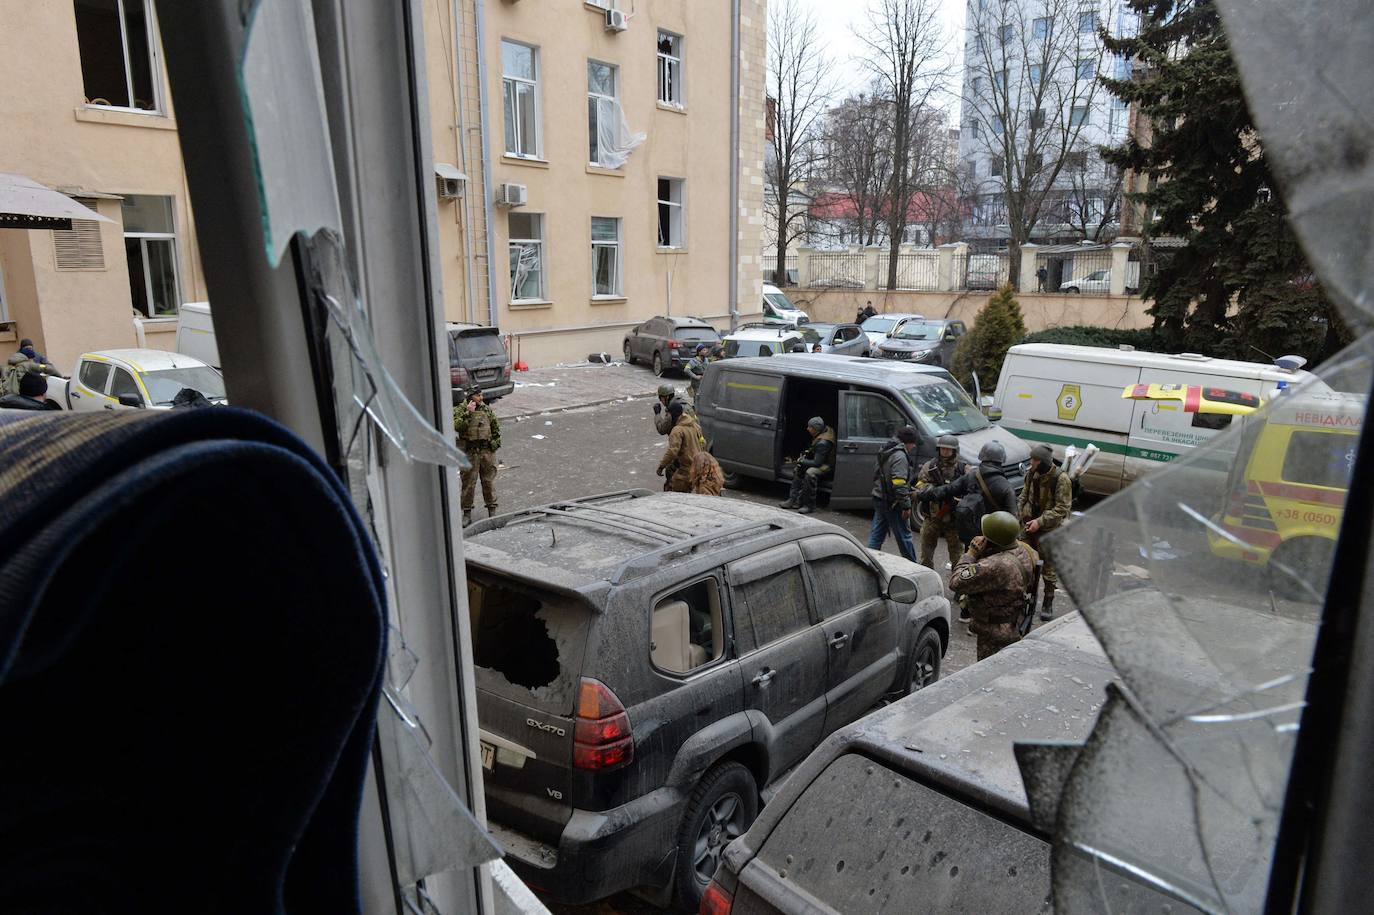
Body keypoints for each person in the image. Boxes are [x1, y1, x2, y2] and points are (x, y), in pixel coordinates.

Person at [949, 511, 1038, 660]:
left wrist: (971, 553)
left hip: (995, 632)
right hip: (1016, 622)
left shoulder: (995, 565)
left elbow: (956, 582)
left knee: (987, 673)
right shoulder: (1028, 551)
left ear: (992, 541)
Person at [917, 441, 1018, 549]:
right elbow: (1013, 519)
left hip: (971, 535)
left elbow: (948, 489)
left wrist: (924, 494)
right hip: (993, 538)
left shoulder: (971, 476)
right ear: (1001, 460)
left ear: (982, 457)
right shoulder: (1006, 487)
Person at [1018, 443, 1073, 620]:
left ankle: (1048, 602)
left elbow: (1062, 508)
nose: (1031, 463)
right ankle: (1024, 599)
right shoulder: (1031, 474)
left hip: (1049, 529)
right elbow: (1024, 496)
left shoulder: (1061, 479)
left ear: (1042, 462)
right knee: (1024, 564)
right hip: (1028, 526)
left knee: (1048, 570)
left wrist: (1040, 522)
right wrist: (1021, 516)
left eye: (1034, 460)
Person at [914, 434, 967, 570]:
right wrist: (930, 490)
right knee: (926, 554)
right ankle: (927, 576)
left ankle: (959, 582)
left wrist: (958, 499)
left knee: (957, 556)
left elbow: (970, 490)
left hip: (953, 519)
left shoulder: (962, 468)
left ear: (954, 451)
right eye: (942, 449)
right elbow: (919, 484)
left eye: (948, 449)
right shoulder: (930, 466)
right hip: (932, 516)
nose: (945, 451)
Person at [868, 425, 919, 562]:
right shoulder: (900, 456)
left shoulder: (886, 448)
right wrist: (906, 506)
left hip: (879, 497)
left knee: (876, 534)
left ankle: (869, 562)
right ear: (908, 442)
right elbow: (898, 483)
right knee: (904, 537)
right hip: (893, 502)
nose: (913, 447)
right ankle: (913, 566)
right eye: (913, 443)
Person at [453, 384, 500, 526]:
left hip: (485, 452)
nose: (481, 397)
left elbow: (495, 427)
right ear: (471, 396)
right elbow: (456, 426)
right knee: (468, 484)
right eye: (478, 395)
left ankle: (492, 510)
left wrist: (493, 445)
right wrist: (468, 413)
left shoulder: (486, 410)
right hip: (470, 452)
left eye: (482, 395)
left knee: (488, 481)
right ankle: (466, 513)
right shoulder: (461, 409)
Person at [779, 417, 835, 514]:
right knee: (798, 469)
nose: (807, 429)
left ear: (816, 429)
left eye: (810, 427)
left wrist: (801, 461)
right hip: (821, 460)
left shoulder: (823, 443)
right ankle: (793, 500)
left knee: (810, 473)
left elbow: (817, 463)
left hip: (827, 465)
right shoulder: (823, 430)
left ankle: (809, 505)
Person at [658, 401, 704, 492]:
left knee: (676, 495)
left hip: (686, 470)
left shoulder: (677, 430)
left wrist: (661, 466)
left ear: (672, 415)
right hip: (699, 466)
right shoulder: (695, 425)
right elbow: (703, 443)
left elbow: (672, 451)